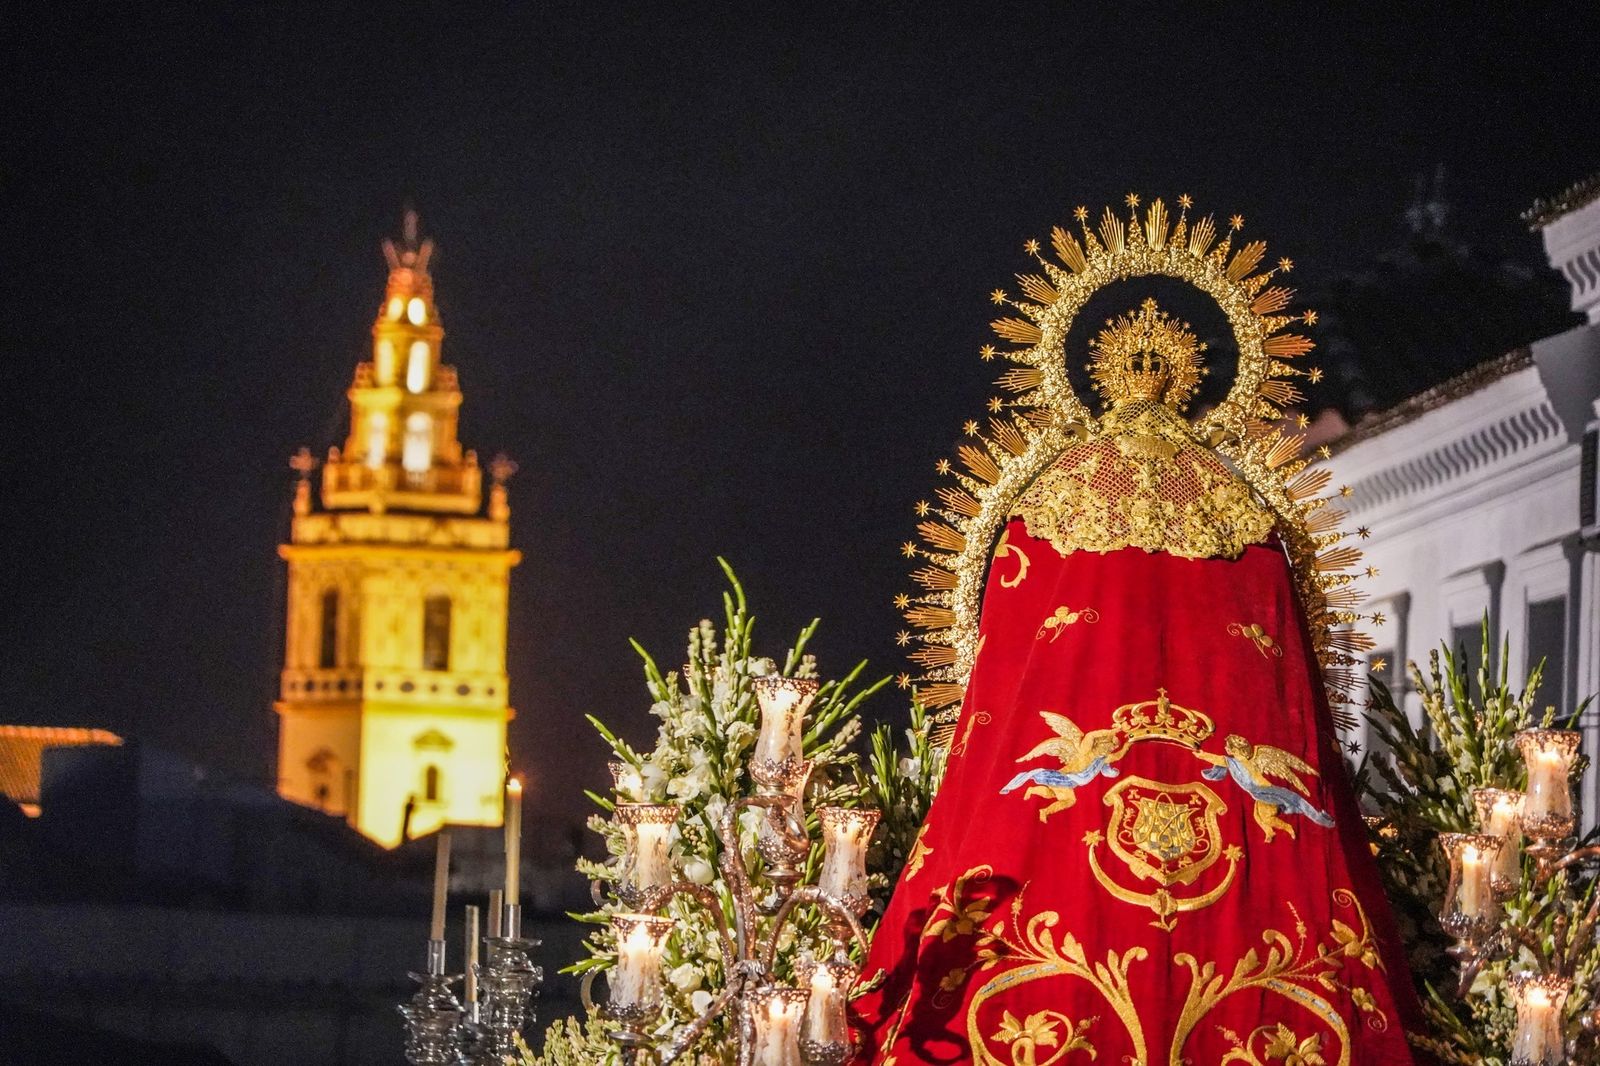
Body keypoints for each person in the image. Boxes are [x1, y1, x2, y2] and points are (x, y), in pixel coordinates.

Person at [850, 298, 1419, 1065]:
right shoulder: (1246, 520)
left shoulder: (1045, 505)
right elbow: (1282, 697)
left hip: (1042, 867)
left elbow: (994, 709)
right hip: (1250, 883)